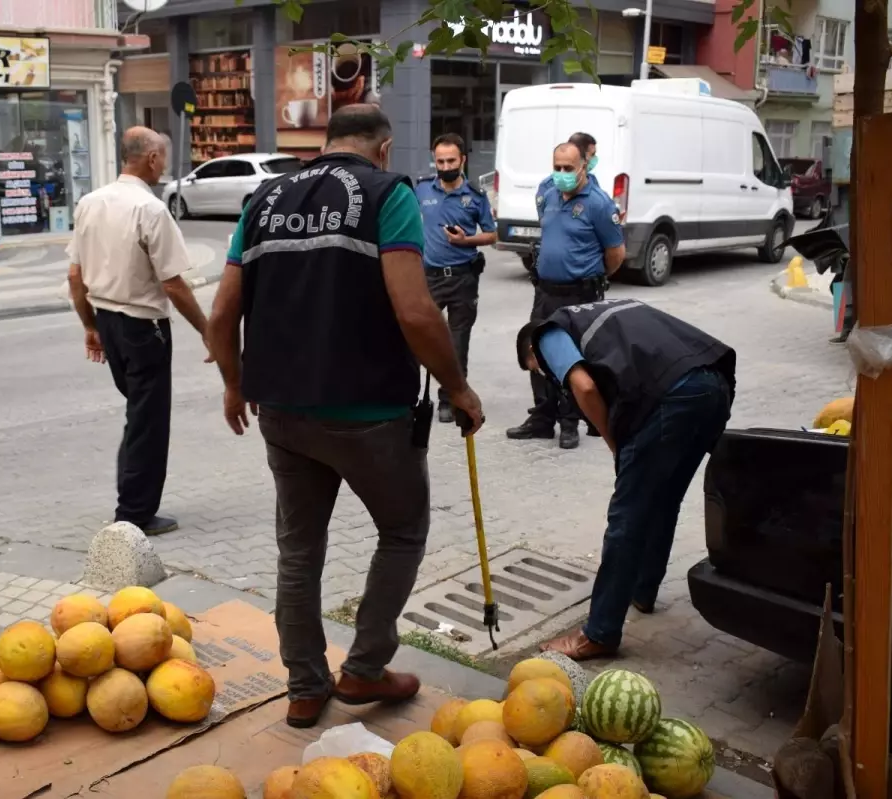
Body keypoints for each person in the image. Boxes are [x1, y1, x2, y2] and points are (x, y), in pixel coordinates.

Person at [206, 105, 484, 729]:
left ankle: (305, 687)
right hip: (371, 413)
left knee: (299, 552)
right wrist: (458, 389)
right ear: (383, 149)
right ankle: (362, 671)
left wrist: (233, 383)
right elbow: (416, 312)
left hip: (280, 408)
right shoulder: (389, 194)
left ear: (326, 143)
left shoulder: (264, 198)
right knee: (403, 531)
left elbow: (222, 315)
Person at [517, 298, 736, 660]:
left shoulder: (547, 334)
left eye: (539, 371)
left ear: (532, 350)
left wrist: (614, 443)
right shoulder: (600, 312)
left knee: (626, 518)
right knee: (664, 498)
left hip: (671, 397)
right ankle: (642, 589)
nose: (546, 375)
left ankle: (600, 632)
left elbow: (584, 388)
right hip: (713, 385)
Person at [67, 127, 210, 537]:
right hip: (143, 327)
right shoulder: (150, 209)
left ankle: (130, 497)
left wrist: (90, 325)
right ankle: (134, 514)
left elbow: (75, 276)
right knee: (148, 421)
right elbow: (173, 283)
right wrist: (206, 330)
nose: (164, 164)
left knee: (138, 414)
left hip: (108, 319)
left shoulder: (90, 203)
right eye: (162, 157)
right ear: (150, 159)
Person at [506, 141, 625, 449]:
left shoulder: (598, 203)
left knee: (572, 358)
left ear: (583, 167)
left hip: (580, 293)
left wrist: (591, 277)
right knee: (537, 351)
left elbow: (615, 253)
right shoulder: (547, 191)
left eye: (568, 169)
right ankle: (543, 418)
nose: (561, 174)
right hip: (545, 290)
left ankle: (569, 421)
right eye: (556, 167)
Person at [415, 133, 497, 423]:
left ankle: (449, 399)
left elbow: (492, 234)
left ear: (463, 160)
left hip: (463, 279)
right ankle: (410, 395)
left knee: (457, 344)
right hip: (429, 278)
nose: (445, 165)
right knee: (418, 337)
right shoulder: (422, 189)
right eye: (440, 161)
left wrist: (467, 240)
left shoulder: (475, 196)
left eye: (451, 160)